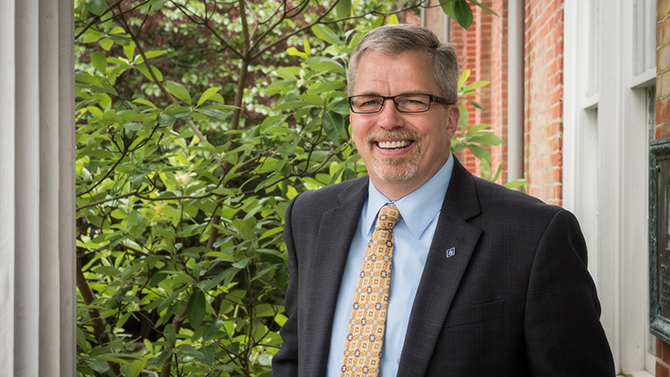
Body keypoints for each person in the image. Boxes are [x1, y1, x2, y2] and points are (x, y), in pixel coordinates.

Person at [271, 23, 615, 377]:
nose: (388, 120)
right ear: (352, 118)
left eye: (412, 101)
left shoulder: (534, 237)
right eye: (369, 102)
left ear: (451, 119)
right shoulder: (310, 218)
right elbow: (294, 357)